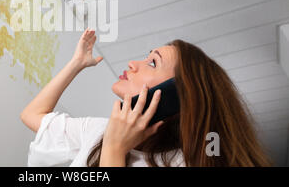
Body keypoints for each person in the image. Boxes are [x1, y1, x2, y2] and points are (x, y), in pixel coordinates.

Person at [20, 28, 272, 166]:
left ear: (178, 97)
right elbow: (32, 115)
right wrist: (76, 63)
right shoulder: (99, 131)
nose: (132, 64)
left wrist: (115, 150)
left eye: (152, 63)